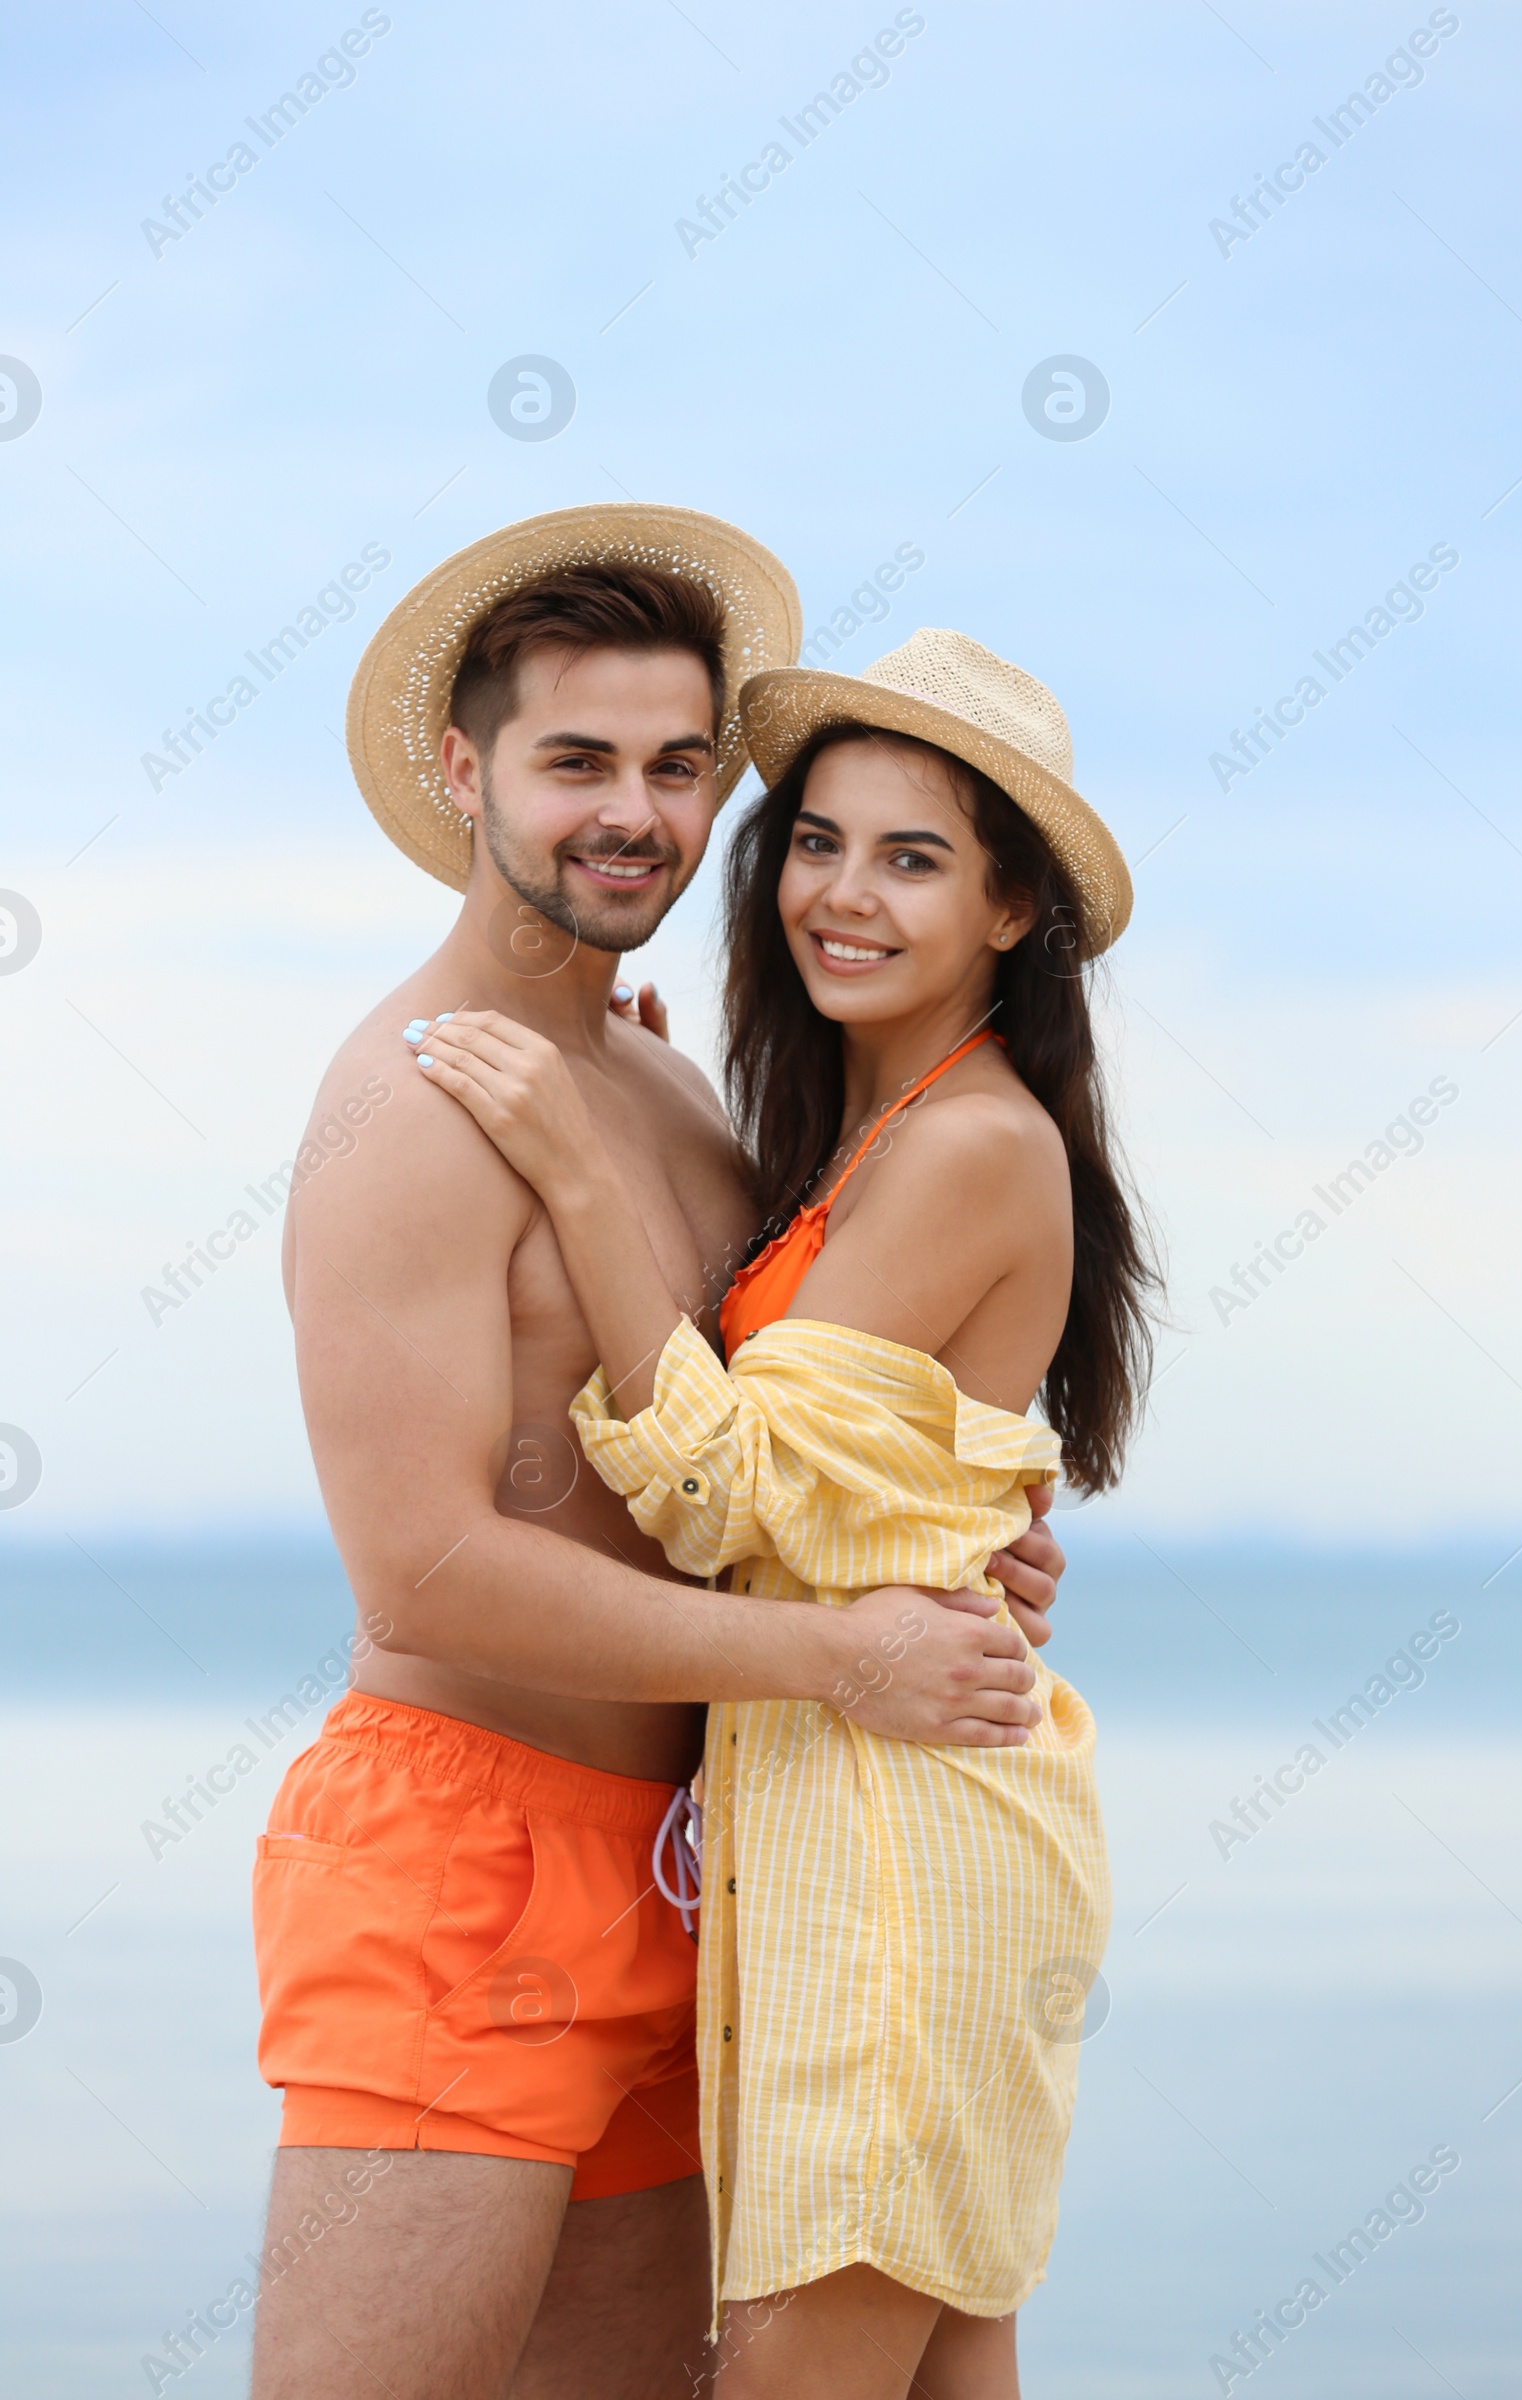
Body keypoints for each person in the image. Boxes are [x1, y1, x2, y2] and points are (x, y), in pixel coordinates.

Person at [250, 511, 1067, 2400]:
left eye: (677, 766)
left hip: (713, 1870)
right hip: (467, 1853)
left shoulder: (675, 1090)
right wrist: (846, 1659)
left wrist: (938, 1557)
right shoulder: (406, 1102)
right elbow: (423, 1568)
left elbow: (754, 1466)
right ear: (465, 771)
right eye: (576, 761)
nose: (634, 812)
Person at [409, 625, 1160, 2399]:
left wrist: (582, 1163)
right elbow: (858, 1476)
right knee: (939, 2362)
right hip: (881, 1826)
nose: (842, 894)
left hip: (898, 1854)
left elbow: (723, 1491)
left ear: (1011, 911)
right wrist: (654, 1118)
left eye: (914, 860)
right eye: (817, 842)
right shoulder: (864, 1136)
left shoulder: (972, 1143)